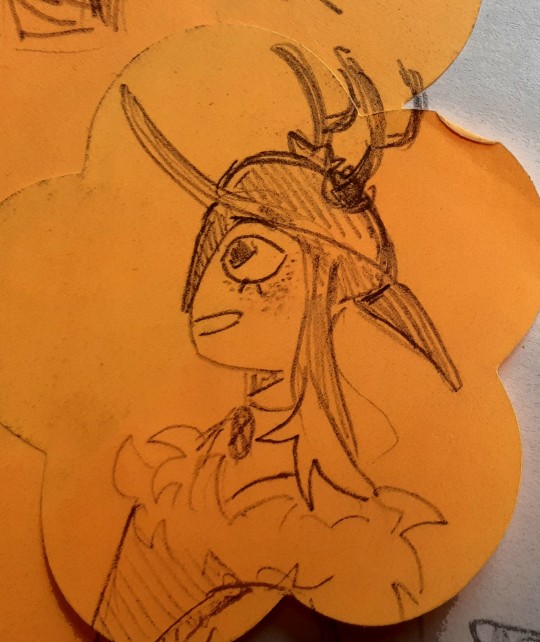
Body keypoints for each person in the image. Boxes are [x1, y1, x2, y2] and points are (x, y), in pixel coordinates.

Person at [92, 44, 462, 642]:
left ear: (326, 281)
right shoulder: (199, 453)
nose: (207, 288)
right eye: (211, 252)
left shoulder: (328, 510)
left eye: (244, 254)